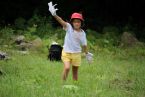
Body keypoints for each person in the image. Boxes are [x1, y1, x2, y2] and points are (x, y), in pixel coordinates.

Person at [48, 1, 93, 82]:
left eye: (78, 22)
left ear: (81, 23)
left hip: (77, 54)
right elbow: (61, 21)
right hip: (66, 52)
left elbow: (84, 45)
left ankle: (75, 87)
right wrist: (55, 15)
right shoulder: (68, 27)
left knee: (75, 72)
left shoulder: (82, 33)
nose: (76, 23)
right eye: (75, 21)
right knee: (67, 67)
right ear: (72, 22)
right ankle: (62, 84)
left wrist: (87, 54)